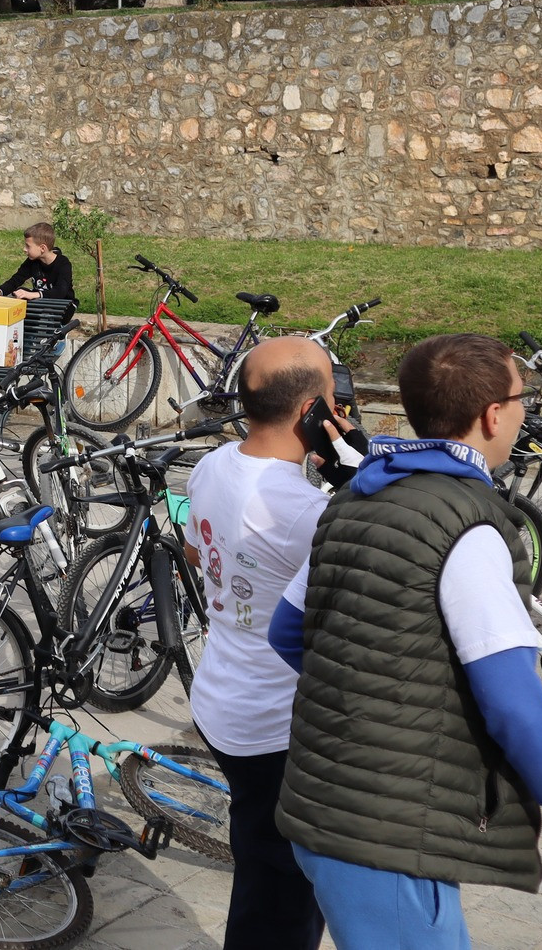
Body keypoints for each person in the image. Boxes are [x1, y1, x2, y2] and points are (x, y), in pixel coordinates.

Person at [271, 334, 542, 947]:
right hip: (385, 832)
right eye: (521, 397)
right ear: (493, 414)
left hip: (328, 804)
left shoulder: (354, 497)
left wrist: (362, 701)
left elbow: (288, 632)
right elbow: (511, 697)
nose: (524, 411)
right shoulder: (468, 527)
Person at [184, 337, 335, 950]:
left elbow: (198, 551)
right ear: (313, 412)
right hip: (277, 723)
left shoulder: (212, 465)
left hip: (222, 696)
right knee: (284, 897)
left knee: (259, 856)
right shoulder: (307, 512)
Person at [0, 222, 77, 303]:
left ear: (42, 248)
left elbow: (60, 292)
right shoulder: (32, 261)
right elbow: (16, 280)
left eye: (28, 246)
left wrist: (32, 295)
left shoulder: (63, 263)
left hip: (63, 305)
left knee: (27, 295)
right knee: (20, 292)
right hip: (43, 303)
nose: (24, 249)